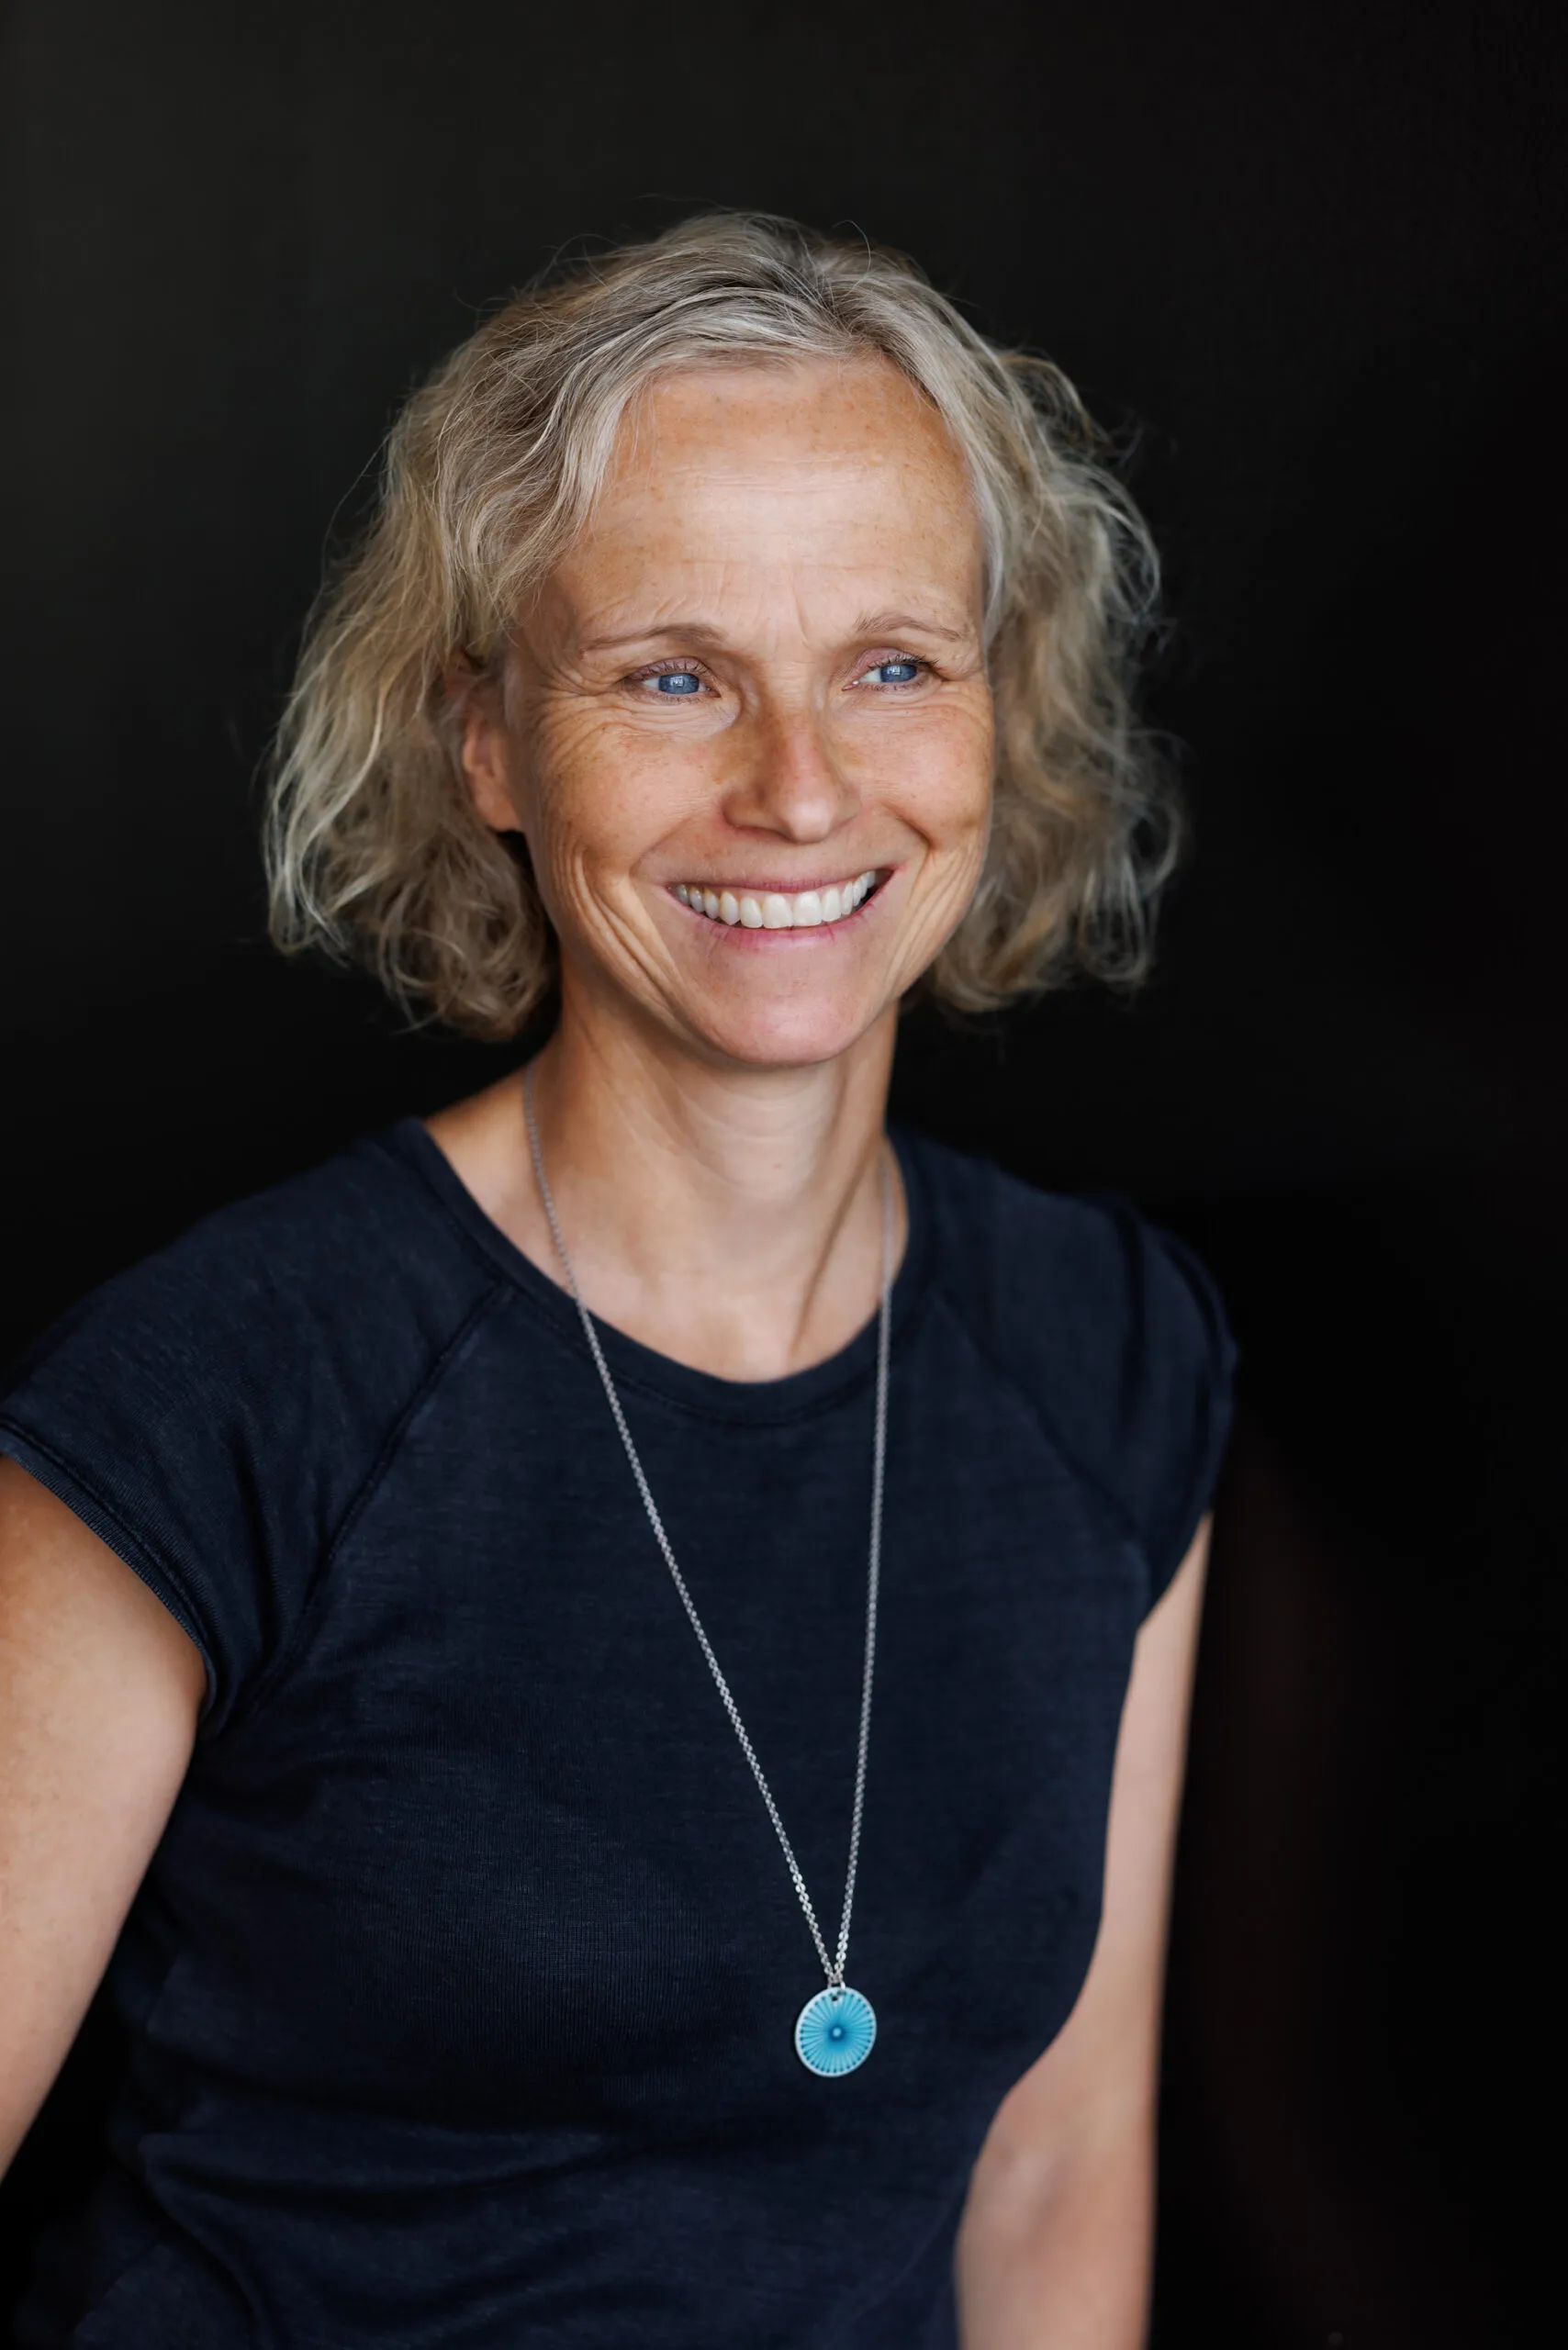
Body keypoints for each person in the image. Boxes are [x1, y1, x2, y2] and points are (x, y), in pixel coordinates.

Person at [0, 214, 1233, 2347]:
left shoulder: (1106, 1351)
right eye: (671, 674)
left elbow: (1047, 2170)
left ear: (994, 713)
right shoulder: (219, 1394)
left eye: (891, 663)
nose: (798, 785)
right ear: (485, 738)